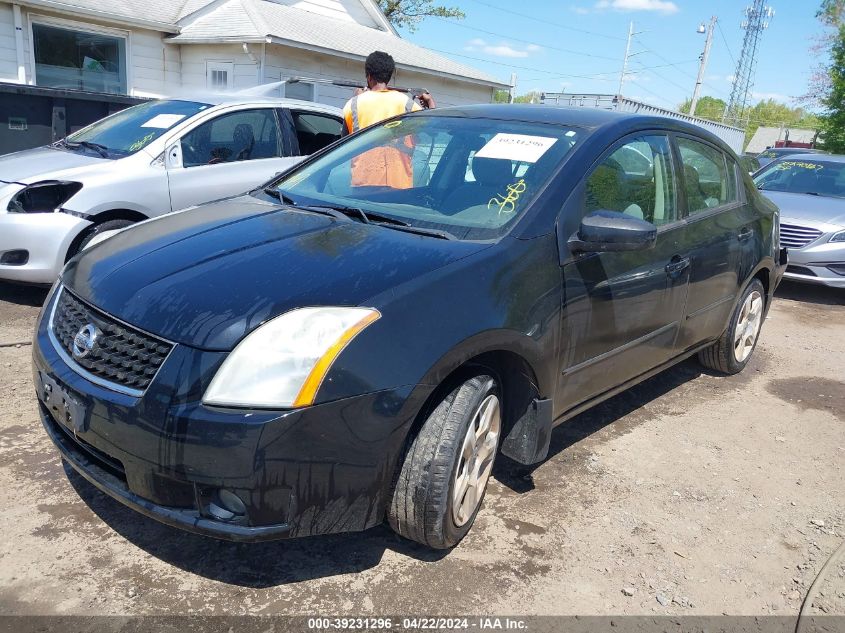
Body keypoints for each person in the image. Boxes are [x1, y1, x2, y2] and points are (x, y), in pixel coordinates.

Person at [342, 51, 436, 189]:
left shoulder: (353, 104)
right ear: (390, 76)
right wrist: (431, 104)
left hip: (363, 184)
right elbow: (432, 132)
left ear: (368, 76)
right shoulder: (408, 105)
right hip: (399, 184)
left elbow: (343, 145)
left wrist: (356, 97)